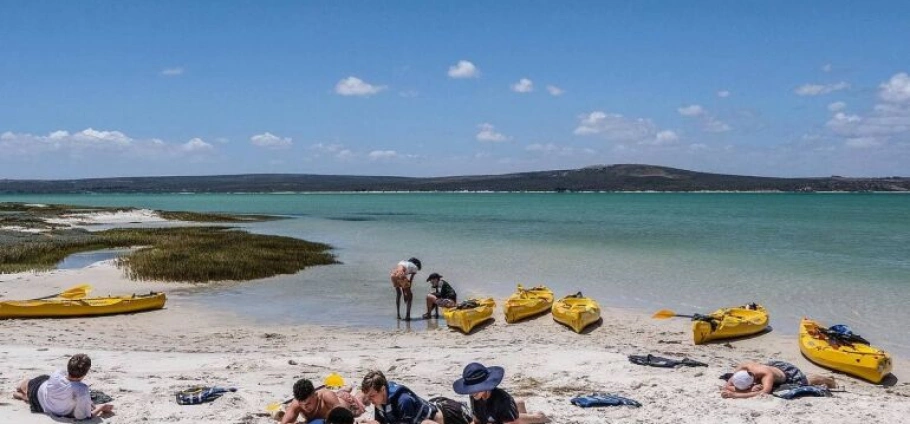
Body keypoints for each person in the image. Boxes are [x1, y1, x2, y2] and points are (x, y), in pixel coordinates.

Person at [13, 353, 114, 420]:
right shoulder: (82, 390)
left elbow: (66, 383)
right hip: (43, 407)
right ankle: (23, 396)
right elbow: (82, 417)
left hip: (39, 393)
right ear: (85, 374)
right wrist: (101, 408)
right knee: (28, 389)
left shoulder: (57, 374)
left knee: (27, 383)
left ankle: (24, 392)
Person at [360, 370, 471, 424]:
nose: (370, 400)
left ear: (383, 389)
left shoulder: (403, 401)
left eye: (372, 396)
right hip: (430, 406)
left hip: (450, 417)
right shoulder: (378, 400)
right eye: (368, 397)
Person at [452, 362, 550, 424]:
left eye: (476, 388)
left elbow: (514, 423)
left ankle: (538, 417)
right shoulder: (474, 395)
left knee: (514, 418)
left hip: (505, 416)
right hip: (493, 416)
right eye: (471, 388)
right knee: (510, 409)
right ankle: (519, 404)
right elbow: (477, 420)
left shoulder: (502, 399)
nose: (473, 392)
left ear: (485, 385)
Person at [721, 360, 836, 399]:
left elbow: (763, 392)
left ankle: (829, 380)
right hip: (773, 366)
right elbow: (728, 385)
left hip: (788, 374)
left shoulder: (766, 375)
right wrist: (742, 389)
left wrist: (736, 395)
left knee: (807, 381)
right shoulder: (744, 367)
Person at [281, 378, 349, 424]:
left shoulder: (326, 396)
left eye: (308, 403)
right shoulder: (297, 403)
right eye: (302, 404)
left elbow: (344, 417)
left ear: (315, 395)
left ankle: (345, 390)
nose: (305, 407)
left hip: (347, 403)